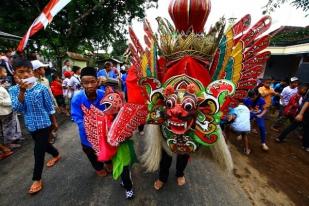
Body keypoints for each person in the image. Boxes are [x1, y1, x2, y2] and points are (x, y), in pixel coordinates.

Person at [9, 57, 60, 194]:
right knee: (43, 145)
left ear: (33, 72)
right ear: (15, 74)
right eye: (21, 72)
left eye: (28, 71)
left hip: (44, 123)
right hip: (30, 125)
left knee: (38, 151)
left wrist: (54, 122)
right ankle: (56, 154)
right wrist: (22, 91)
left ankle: (36, 178)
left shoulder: (42, 88)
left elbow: (49, 107)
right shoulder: (14, 90)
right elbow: (17, 108)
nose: (25, 75)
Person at [71, 67, 111, 177]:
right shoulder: (77, 98)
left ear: (98, 81)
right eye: (86, 83)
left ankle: (107, 162)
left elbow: (112, 109)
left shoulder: (104, 94)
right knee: (91, 153)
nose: (89, 86)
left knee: (106, 149)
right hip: (87, 135)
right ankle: (98, 167)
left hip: (105, 133)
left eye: (92, 82)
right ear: (81, 83)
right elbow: (77, 118)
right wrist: (91, 127)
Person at [0, 66, 22, 149]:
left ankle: (12, 140)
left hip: (7, 110)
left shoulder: (2, 84)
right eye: (4, 72)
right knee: (7, 127)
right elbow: (1, 101)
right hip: (5, 111)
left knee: (10, 126)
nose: (6, 74)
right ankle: (9, 144)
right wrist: (12, 102)